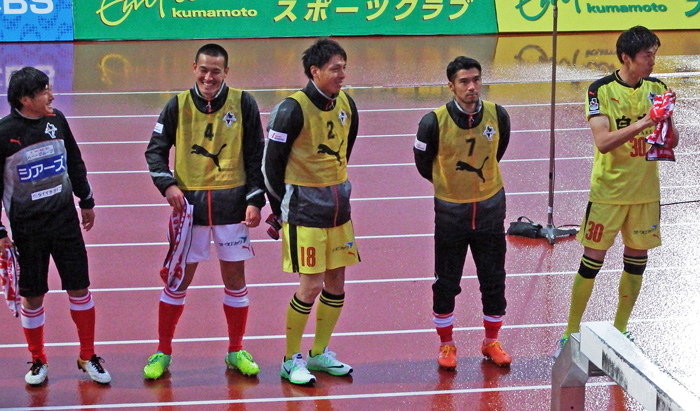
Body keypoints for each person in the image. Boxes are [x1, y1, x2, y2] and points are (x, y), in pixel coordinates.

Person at [144, 43, 266, 379]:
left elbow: (256, 155)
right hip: (190, 210)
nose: (208, 77)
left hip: (233, 207)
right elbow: (155, 151)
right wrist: (168, 185)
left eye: (215, 71)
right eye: (203, 70)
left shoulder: (244, 103)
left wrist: (255, 200)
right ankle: (163, 351)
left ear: (226, 72)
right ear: (193, 68)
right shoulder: (177, 105)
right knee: (178, 280)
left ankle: (236, 350)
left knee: (235, 281)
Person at [556, 26, 679, 355]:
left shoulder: (657, 88)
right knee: (591, 262)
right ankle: (571, 331)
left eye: (654, 54)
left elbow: (671, 141)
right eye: (646, 55)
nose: (653, 61)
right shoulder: (599, 90)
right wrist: (646, 121)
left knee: (637, 262)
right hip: (608, 192)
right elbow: (603, 142)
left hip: (645, 192)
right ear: (626, 57)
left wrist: (666, 120)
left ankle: (621, 329)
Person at [0, 67, 111, 386]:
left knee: (80, 288)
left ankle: (88, 355)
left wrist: (86, 199)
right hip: (27, 231)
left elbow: (74, 160)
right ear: (25, 99)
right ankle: (38, 360)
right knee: (33, 296)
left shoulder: (57, 120)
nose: (52, 95)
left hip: (65, 224)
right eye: (45, 91)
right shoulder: (4, 133)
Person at [263, 38, 360, 385]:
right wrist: (279, 209)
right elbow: (270, 166)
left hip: (339, 212)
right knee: (311, 286)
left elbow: (345, 149)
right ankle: (291, 359)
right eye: (335, 69)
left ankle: (319, 353)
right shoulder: (292, 109)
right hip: (304, 213)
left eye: (344, 68)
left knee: (336, 283)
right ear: (314, 71)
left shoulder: (347, 103)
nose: (342, 75)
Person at [414, 56, 512, 370]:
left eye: (476, 80)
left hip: (490, 211)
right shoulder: (432, 122)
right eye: (464, 81)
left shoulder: (498, 115)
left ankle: (491, 340)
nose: (472, 87)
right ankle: (446, 344)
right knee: (446, 283)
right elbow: (423, 165)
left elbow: (498, 151)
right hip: (451, 215)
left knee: (494, 280)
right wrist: (451, 185)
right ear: (451, 86)